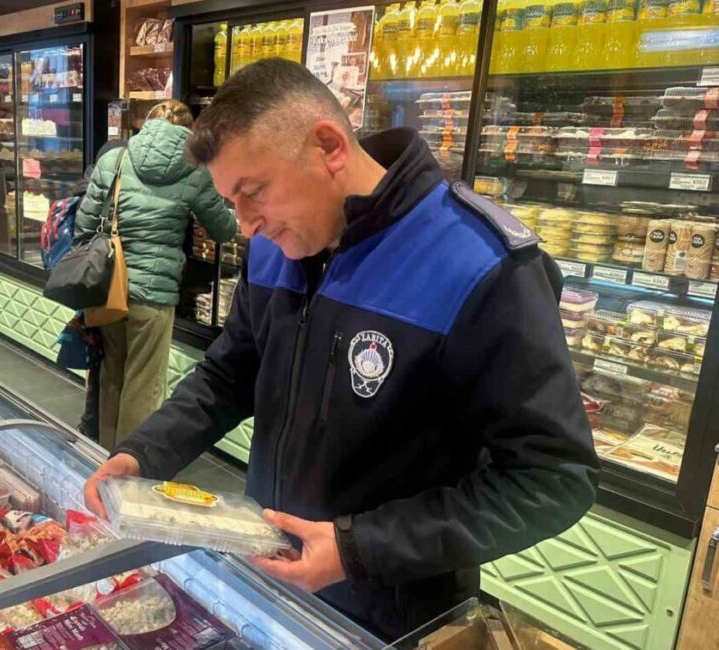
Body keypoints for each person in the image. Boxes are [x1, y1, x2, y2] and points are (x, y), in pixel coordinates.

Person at [83, 60, 599, 641]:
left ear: (328, 146)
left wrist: (359, 548)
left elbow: (553, 478)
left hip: (394, 615)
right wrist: (144, 453)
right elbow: (230, 374)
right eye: (230, 202)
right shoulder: (275, 248)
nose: (247, 226)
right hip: (270, 583)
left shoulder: (481, 264)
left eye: (253, 193)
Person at [74, 100, 237, 450]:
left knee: (111, 375)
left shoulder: (114, 159)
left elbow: (83, 224)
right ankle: (131, 472)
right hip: (155, 294)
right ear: (189, 132)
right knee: (143, 383)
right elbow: (223, 229)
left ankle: (104, 459)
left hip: (107, 287)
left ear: (146, 124)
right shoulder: (196, 170)